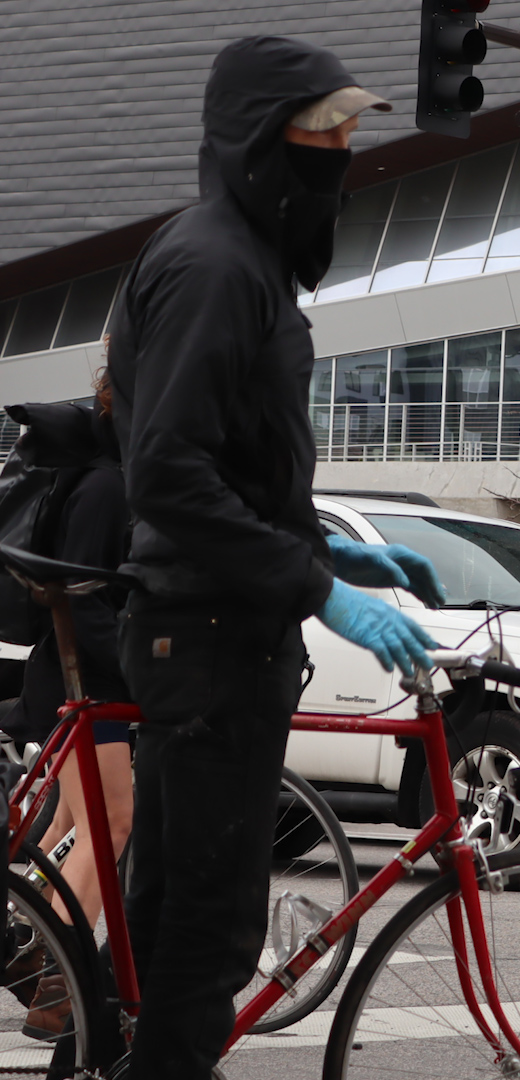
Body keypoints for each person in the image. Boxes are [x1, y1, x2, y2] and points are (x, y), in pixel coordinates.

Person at [105, 37, 442, 1080]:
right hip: (206, 639)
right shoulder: (217, 265)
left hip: (209, 631)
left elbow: (234, 469)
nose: (343, 153)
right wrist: (315, 588)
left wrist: (332, 552)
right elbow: (168, 471)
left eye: (349, 133)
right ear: (259, 142)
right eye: (323, 133)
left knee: (174, 931)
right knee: (204, 940)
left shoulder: (233, 257)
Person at [0, 370, 135, 1041]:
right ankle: (60, 986)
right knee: (111, 823)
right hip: (88, 679)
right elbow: (86, 596)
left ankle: (36, 957)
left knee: (73, 827)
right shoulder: (108, 486)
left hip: (70, 672)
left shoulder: (90, 475)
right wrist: (137, 678)